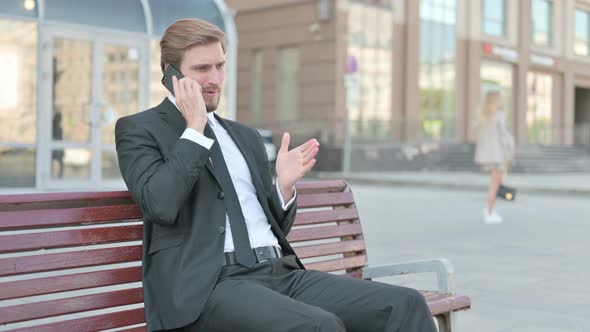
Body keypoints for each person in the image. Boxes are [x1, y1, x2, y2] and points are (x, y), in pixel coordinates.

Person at [115, 18, 436, 332]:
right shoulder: (139, 130)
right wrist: (195, 128)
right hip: (209, 288)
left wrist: (282, 188)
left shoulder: (245, 137)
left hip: (279, 273)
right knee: (318, 326)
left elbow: (272, 226)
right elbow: (160, 203)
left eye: (220, 66)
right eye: (202, 69)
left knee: (406, 304)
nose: (215, 78)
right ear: (171, 75)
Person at [474, 90, 515, 224]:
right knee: (495, 186)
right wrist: (510, 151)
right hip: (498, 155)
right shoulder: (499, 115)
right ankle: (489, 213)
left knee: (496, 184)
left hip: (488, 155)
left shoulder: (483, 115)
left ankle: (490, 210)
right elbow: (504, 136)